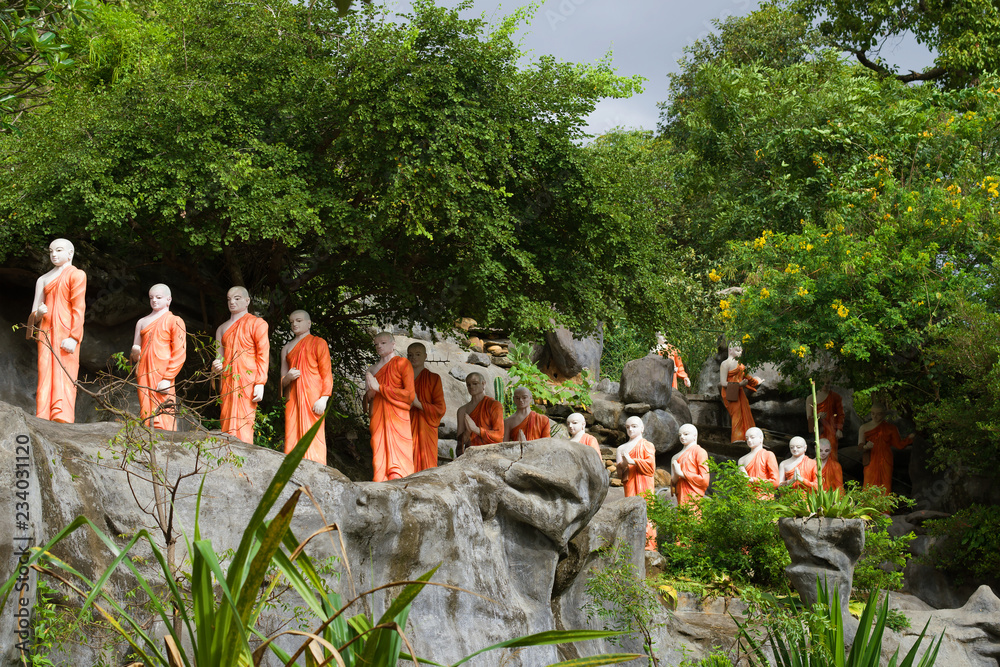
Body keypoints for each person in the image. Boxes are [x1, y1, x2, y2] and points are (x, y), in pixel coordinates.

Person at [29, 238, 87, 423]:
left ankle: (63, 415)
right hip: (46, 331)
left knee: (65, 371)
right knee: (45, 370)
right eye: (51, 251)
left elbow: (79, 309)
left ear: (70, 253)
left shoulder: (76, 275)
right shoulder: (43, 279)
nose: (54, 254)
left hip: (66, 332)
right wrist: (38, 313)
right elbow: (33, 314)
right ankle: (43, 413)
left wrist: (74, 337)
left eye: (59, 250)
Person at [212, 286, 269, 444]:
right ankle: (227, 450)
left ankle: (244, 451)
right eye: (229, 299)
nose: (232, 302)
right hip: (228, 380)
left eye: (237, 298)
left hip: (247, 379)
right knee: (226, 416)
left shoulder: (257, 324)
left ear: (247, 301)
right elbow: (219, 358)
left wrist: (260, 382)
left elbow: (263, 355)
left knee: (245, 419)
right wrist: (216, 366)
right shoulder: (221, 328)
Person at [130, 284, 186, 430]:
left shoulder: (175, 320)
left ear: (169, 299)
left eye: (158, 297)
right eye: (151, 297)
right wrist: (135, 353)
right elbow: (135, 354)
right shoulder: (141, 322)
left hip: (163, 371)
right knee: (146, 408)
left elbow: (179, 352)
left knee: (164, 407)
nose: (154, 300)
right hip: (144, 370)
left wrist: (168, 378)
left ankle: (165, 435)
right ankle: (147, 433)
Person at [280, 310, 332, 464]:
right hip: (293, 397)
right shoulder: (286, 348)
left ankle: (316, 466)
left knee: (314, 432)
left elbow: (326, 374)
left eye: (298, 320)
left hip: (313, 396)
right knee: (292, 430)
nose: (294, 324)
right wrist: (287, 378)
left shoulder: (319, 343)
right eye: (291, 322)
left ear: (309, 323)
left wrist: (324, 398)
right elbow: (282, 380)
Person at [364, 332, 415, 481]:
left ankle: (400, 476)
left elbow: (409, 395)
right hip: (378, 414)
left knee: (399, 452)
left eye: (383, 343)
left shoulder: (403, 363)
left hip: (398, 415)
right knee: (378, 447)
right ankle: (380, 477)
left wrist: (380, 388)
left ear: (393, 344)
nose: (379, 346)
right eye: (376, 344)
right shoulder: (372, 370)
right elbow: (366, 402)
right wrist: (369, 394)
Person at [616, 416, 658, 550]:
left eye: (634, 426)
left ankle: (649, 544)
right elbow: (620, 473)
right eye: (627, 427)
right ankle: (632, 543)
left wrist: (633, 461)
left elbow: (651, 467)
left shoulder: (647, 445)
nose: (630, 429)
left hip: (644, 482)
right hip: (630, 483)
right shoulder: (621, 448)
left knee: (647, 509)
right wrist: (623, 464)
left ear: (642, 428)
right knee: (631, 509)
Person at [858, 402, 913, 493]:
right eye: (872, 413)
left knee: (885, 484)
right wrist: (865, 447)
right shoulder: (863, 427)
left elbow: (899, 445)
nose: (875, 416)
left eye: (878, 414)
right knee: (869, 483)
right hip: (871, 458)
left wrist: (909, 439)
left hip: (885, 459)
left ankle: (885, 502)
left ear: (884, 414)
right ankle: (868, 502)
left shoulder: (891, 428)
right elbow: (860, 447)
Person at [408, 342, 445, 472]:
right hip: (406, 425)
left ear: (425, 356)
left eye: (418, 354)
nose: (414, 357)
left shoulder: (433, 378)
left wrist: (418, 404)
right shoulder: (402, 379)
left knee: (427, 466)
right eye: (410, 355)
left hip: (426, 428)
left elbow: (440, 408)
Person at [719, 346, 763, 443]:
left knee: (744, 414)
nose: (740, 353)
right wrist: (739, 384)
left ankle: (748, 437)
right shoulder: (725, 364)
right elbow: (723, 383)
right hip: (730, 392)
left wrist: (756, 382)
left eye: (741, 350)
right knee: (736, 415)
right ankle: (737, 439)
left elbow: (748, 378)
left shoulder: (740, 365)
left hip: (739, 393)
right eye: (738, 350)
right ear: (730, 350)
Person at [456, 372, 503, 455]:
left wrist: (476, 429)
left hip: (490, 453)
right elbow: (460, 443)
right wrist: (467, 432)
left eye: (475, 383)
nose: (471, 387)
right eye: (468, 385)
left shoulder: (494, 405)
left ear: (483, 384)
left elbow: (499, 436)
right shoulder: (462, 410)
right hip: (470, 454)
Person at [670, 423, 710, 506]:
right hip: (680, 492)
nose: (682, 437)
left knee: (693, 512)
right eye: (680, 435)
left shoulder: (699, 452)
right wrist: (676, 475)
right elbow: (673, 482)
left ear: (695, 436)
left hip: (693, 492)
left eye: (686, 434)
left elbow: (704, 479)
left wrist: (682, 473)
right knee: (682, 512)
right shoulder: (675, 457)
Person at [807, 380, 845, 459]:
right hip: (819, 431)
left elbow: (840, 414)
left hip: (832, 430)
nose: (825, 385)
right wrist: (817, 416)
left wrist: (839, 429)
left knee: (832, 452)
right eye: (822, 382)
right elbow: (809, 418)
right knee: (820, 451)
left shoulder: (835, 397)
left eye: (827, 382)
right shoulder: (811, 398)